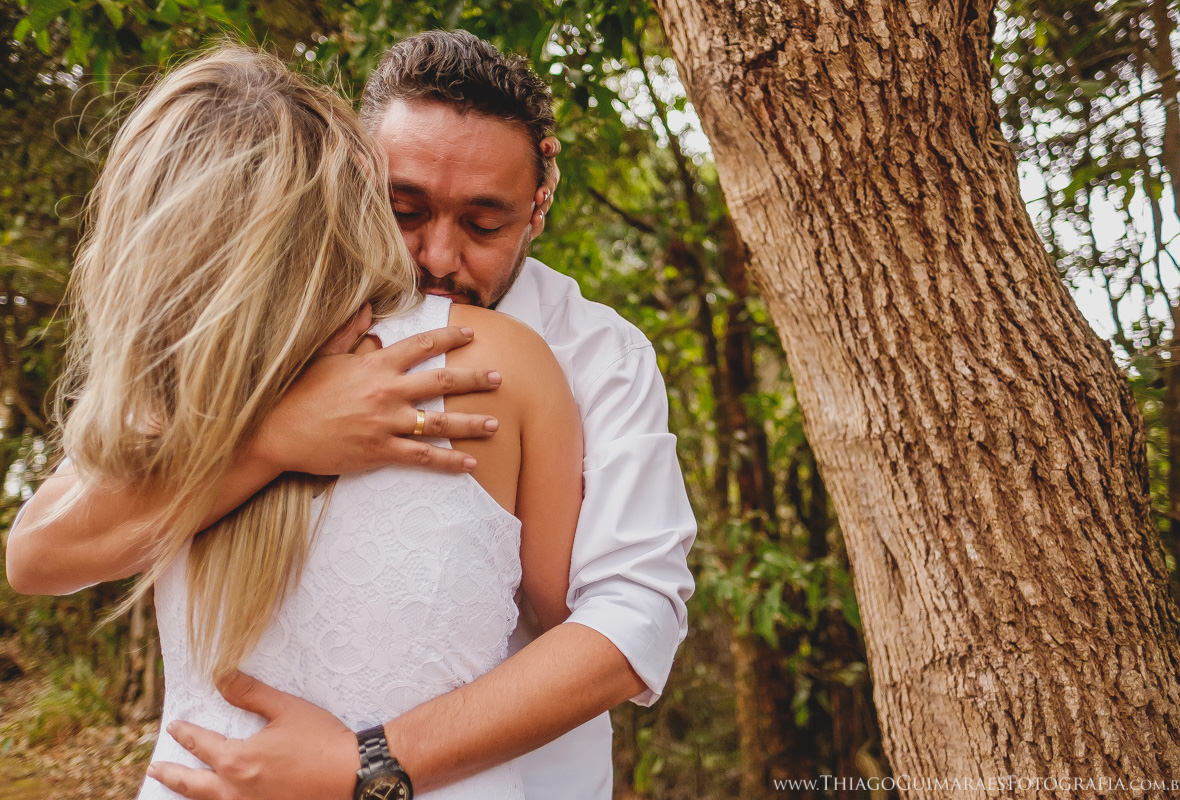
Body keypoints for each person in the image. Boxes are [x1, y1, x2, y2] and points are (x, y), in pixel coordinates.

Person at [7, 30, 697, 800]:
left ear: (540, 203)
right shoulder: (243, 340)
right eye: (404, 209)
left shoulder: (598, 354)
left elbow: (630, 616)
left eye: (483, 224)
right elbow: (40, 554)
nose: (437, 256)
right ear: (352, 179)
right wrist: (274, 440)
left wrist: (366, 766)